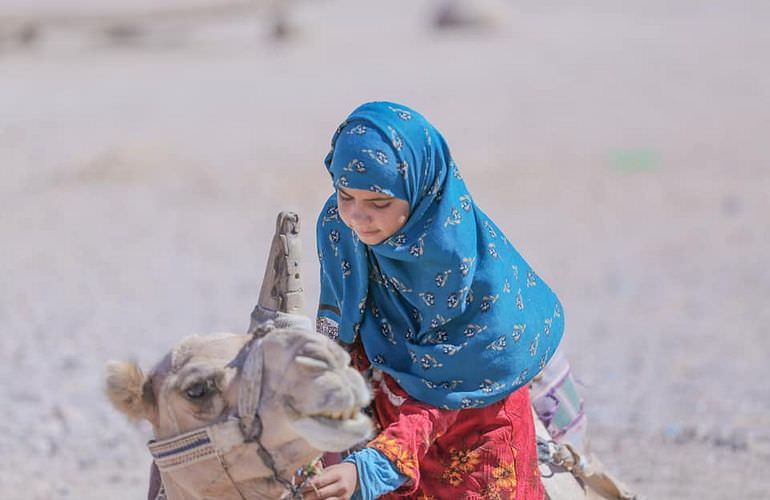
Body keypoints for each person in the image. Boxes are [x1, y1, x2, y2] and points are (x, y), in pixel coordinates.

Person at [308, 101, 565, 500]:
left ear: (422, 193)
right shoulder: (339, 229)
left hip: (475, 427)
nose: (358, 217)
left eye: (379, 203)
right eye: (345, 196)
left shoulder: (453, 267)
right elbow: (338, 338)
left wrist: (371, 467)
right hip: (386, 420)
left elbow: (447, 389)